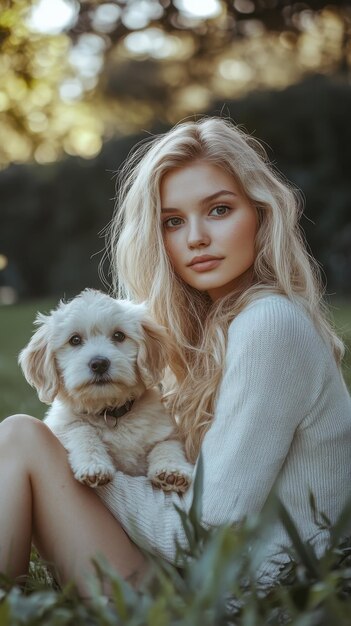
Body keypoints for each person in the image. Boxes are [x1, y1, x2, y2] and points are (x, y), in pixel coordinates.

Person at [1, 118, 350, 593]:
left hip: (248, 594)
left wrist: (80, 471)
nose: (196, 237)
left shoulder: (270, 324)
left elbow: (204, 533)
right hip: (208, 576)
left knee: (22, 438)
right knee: (22, 437)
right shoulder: (208, 329)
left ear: (261, 214)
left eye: (220, 209)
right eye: (173, 221)